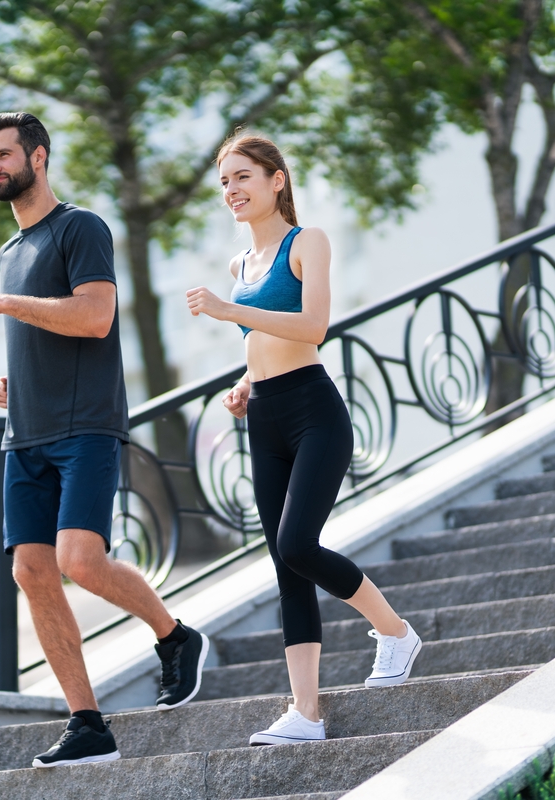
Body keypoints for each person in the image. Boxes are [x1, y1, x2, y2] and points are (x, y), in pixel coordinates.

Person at [0, 112, 209, 768]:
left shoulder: (80, 227)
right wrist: (20, 379)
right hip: (26, 434)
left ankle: (174, 636)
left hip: (86, 427)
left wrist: (4, 305)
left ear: (38, 157)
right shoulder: (11, 253)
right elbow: (50, 326)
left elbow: (94, 317)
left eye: (4, 154)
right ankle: (86, 723)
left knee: (79, 559)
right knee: (30, 570)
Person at [185, 134, 422, 747]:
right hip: (263, 415)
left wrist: (227, 312)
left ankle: (395, 633)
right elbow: (266, 342)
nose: (232, 191)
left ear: (276, 180)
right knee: (285, 567)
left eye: (243, 178)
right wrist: (243, 382)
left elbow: (313, 325)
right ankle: (306, 714)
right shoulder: (240, 265)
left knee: (297, 544)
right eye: (225, 183)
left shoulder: (306, 241)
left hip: (315, 411)